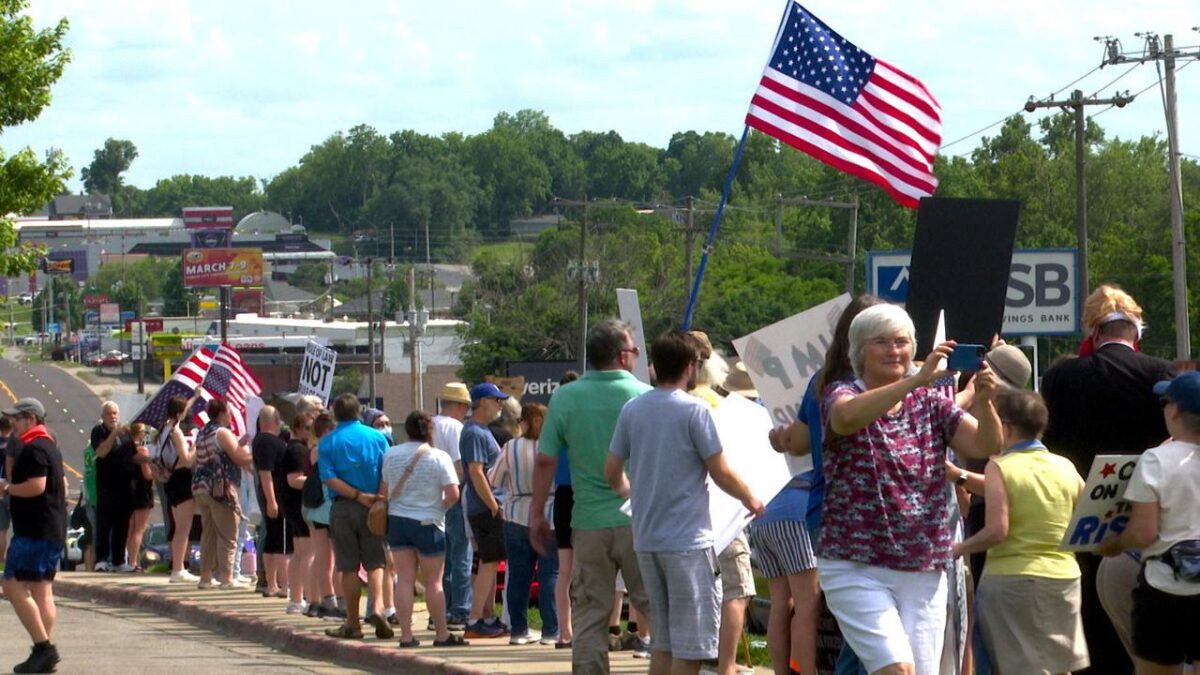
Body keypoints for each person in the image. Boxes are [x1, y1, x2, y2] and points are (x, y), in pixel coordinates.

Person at [818, 304, 1003, 675]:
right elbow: (846, 417)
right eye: (881, 342)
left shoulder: (932, 402)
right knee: (897, 670)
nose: (894, 350)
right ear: (859, 351)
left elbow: (986, 446)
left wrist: (984, 401)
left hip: (922, 563)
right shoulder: (842, 392)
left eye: (902, 342)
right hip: (856, 562)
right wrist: (917, 380)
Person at [606, 329, 765, 675]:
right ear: (690, 366)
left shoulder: (633, 408)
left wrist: (629, 492)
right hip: (688, 542)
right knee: (690, 646)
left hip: (647, 538)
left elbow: (612, 470)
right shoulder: (695, 411)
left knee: (662, 641)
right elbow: (720, 471)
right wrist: (750, 497)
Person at [1041, 286, 1175, 675]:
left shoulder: (1062, 375)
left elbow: (1050, 442)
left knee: (1089, 612)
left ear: (1093, 332)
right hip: (1147, 510)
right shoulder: (1159, 373)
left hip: (1082, 506)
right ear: (1137, 330)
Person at [530, 318, 653, 674]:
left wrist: (537, 513)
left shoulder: (566, 397)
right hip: (639, 521)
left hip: (587, 523)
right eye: (633, 349)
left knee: (589, 614)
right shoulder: (644, 396)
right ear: (622, 355)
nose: (636, 355)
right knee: (657, 608)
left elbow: (545, 460)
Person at [952, 388, 1089, 674]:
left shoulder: (999, 466)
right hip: (1065, 578)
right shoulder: (1065, 466)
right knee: (1056, 669)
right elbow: (1089, 517)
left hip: (1014, 581)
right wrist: (958, 475)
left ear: (1006, 428)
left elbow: (997, 532)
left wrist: (957, 549)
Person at [1098, 370, 1200, 675]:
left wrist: (1113, 545)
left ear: (1175, 411)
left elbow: (1144, 533)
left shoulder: (1156, 460)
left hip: (1165, 590)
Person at [689, 330, 754, 675]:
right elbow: (726, 464)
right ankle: (725, 664)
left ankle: (703, 659)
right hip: (723, 511)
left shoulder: (671, 401)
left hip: (686, 515)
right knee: (737, 588)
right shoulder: (714, 405)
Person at [381, 410, 467, 648]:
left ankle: (406, 635)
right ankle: (441, 634)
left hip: (398, 521)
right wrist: (439, 509)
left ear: (407, 430)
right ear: (430, 431)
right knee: (434, 582)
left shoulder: (391, 454)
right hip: (429, 522)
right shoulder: (439, 457)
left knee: (405, 579)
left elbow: (384, 489)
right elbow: (453, 494)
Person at [318, 393, 393, 641]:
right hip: (374, 504)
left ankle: (353, 622)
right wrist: (379, 498)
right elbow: (387, 470)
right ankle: (378, 608)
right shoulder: (378, 438)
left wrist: (357, 495)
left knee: (348, 565)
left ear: (336, 415)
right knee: (376, 562)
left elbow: (328, 477)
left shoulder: (328, 443)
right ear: (359, 413)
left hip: (343, 506)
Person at [0, 398, 66, 674]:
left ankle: (44, 648)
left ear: (31, 418)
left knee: (11, 584)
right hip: (50, 529)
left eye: (17, 418)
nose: (13, 423)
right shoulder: (49, 444)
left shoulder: (35, 448)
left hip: (35, 532)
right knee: (41, 590)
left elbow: (37, 486)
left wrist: (6, 488)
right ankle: (43, 654)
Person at [491, 402, 559, 646]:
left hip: (516, 512)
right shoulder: (555, 446)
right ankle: (552, 629)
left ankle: (518, 629)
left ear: (525, 422)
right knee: (551, 573)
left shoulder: (511, 447)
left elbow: (494, 479)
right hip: (551, 512)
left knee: (519, 575)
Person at [459, 381, 511, 639]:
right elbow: (476, 472)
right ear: (481, 402)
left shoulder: (480, 430)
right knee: (490, 563)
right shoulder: (474, 433)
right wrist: (493, 505)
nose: (500, 404)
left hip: (486, 504)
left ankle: (487, 616)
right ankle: (475, 619)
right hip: (486, 506)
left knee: (487, 562)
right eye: (495, 400)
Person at [191, 399, 253, 590]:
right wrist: (256, 452)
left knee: (208, 534)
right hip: (221, 488)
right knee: (228, 534)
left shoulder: (203, 432)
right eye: (229, 412)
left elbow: (202, 458)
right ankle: (227, 578)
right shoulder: (222, 432)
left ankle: (205, 577)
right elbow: (239, 458)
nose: (230, 416)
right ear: (222, 413)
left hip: (201, 487)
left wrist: (238, 443)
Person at [432, 382, 473, 630]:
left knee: (440, 558)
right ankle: (460, 609)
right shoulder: (455, 427)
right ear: (457, 405)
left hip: (430, 500)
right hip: (454, 496)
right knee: (461, 555)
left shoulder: (430, 425)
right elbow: (460, 467)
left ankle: (441, 608)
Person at [304, 411, 345, 621]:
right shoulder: (328, 449)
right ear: (329, 430)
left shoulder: (313, 450)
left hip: (314, 508)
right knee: (337, 558)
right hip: (329, 507)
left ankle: (320, 600)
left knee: (322, 558)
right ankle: (336, 601)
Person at [550, 370, 579, 650]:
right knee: (588, 570)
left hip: (561, 496)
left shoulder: (555, 422)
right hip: (585, 494)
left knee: (564, 571)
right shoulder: (583, 421)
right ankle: (585, 630)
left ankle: (564, 632)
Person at [159, 392, 201, 583]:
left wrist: (195, 396)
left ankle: (177, 566)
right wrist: (196, 445)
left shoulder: (165, 429)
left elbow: (181, 409)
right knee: (184, 528)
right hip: (183, 479)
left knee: (177, 527)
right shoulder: (176, 432)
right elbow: (186, 459)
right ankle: (178, 568)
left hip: (170, 480)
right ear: (180, 412)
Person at [91, 401, 136, 572]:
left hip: (125, 488)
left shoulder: (125, 434)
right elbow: (101, 452)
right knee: (104, 524)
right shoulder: (99, 431)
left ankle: (118, 561)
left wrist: (151, 459)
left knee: (122, 525)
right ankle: (101, 560)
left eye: (115, 413)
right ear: (103, 416)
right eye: (109, 413)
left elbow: (134, 456)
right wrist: (113, 434)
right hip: (107, 487)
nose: (113, 416)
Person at [252, 405, 290, 597]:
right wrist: (272, 501)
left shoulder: (262, 440)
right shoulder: (267, 441)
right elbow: (265, 473)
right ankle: (282, 585)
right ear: (275, 420)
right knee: (280, 543)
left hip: (273, 495)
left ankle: (273, 584)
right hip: (276, 495)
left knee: (272, 541)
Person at [283, 412, 314, 614]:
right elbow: (294, 480)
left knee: (299, 554)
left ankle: (296, 599)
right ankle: (310, 598)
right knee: (308, 554)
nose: (312, 432)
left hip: (292, 505)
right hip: (299, 504)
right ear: (298, 428)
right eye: (308, 428)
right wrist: (317, 481)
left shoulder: (294, 448)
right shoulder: (298, 450)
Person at [125, 422, 155, 572]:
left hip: (130, 490)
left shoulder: (127, 449)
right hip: (142, 491)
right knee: (139, 529)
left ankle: (127, 559)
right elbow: (147, 474)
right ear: (140, 433)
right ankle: (133, 560)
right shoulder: (142, 450)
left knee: (130, 528)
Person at [0, 415, 13, 569]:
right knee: (19, 529)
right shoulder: (15, 446)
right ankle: (14, 563)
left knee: (1, 529)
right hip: (13, 488)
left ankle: (1, 564)